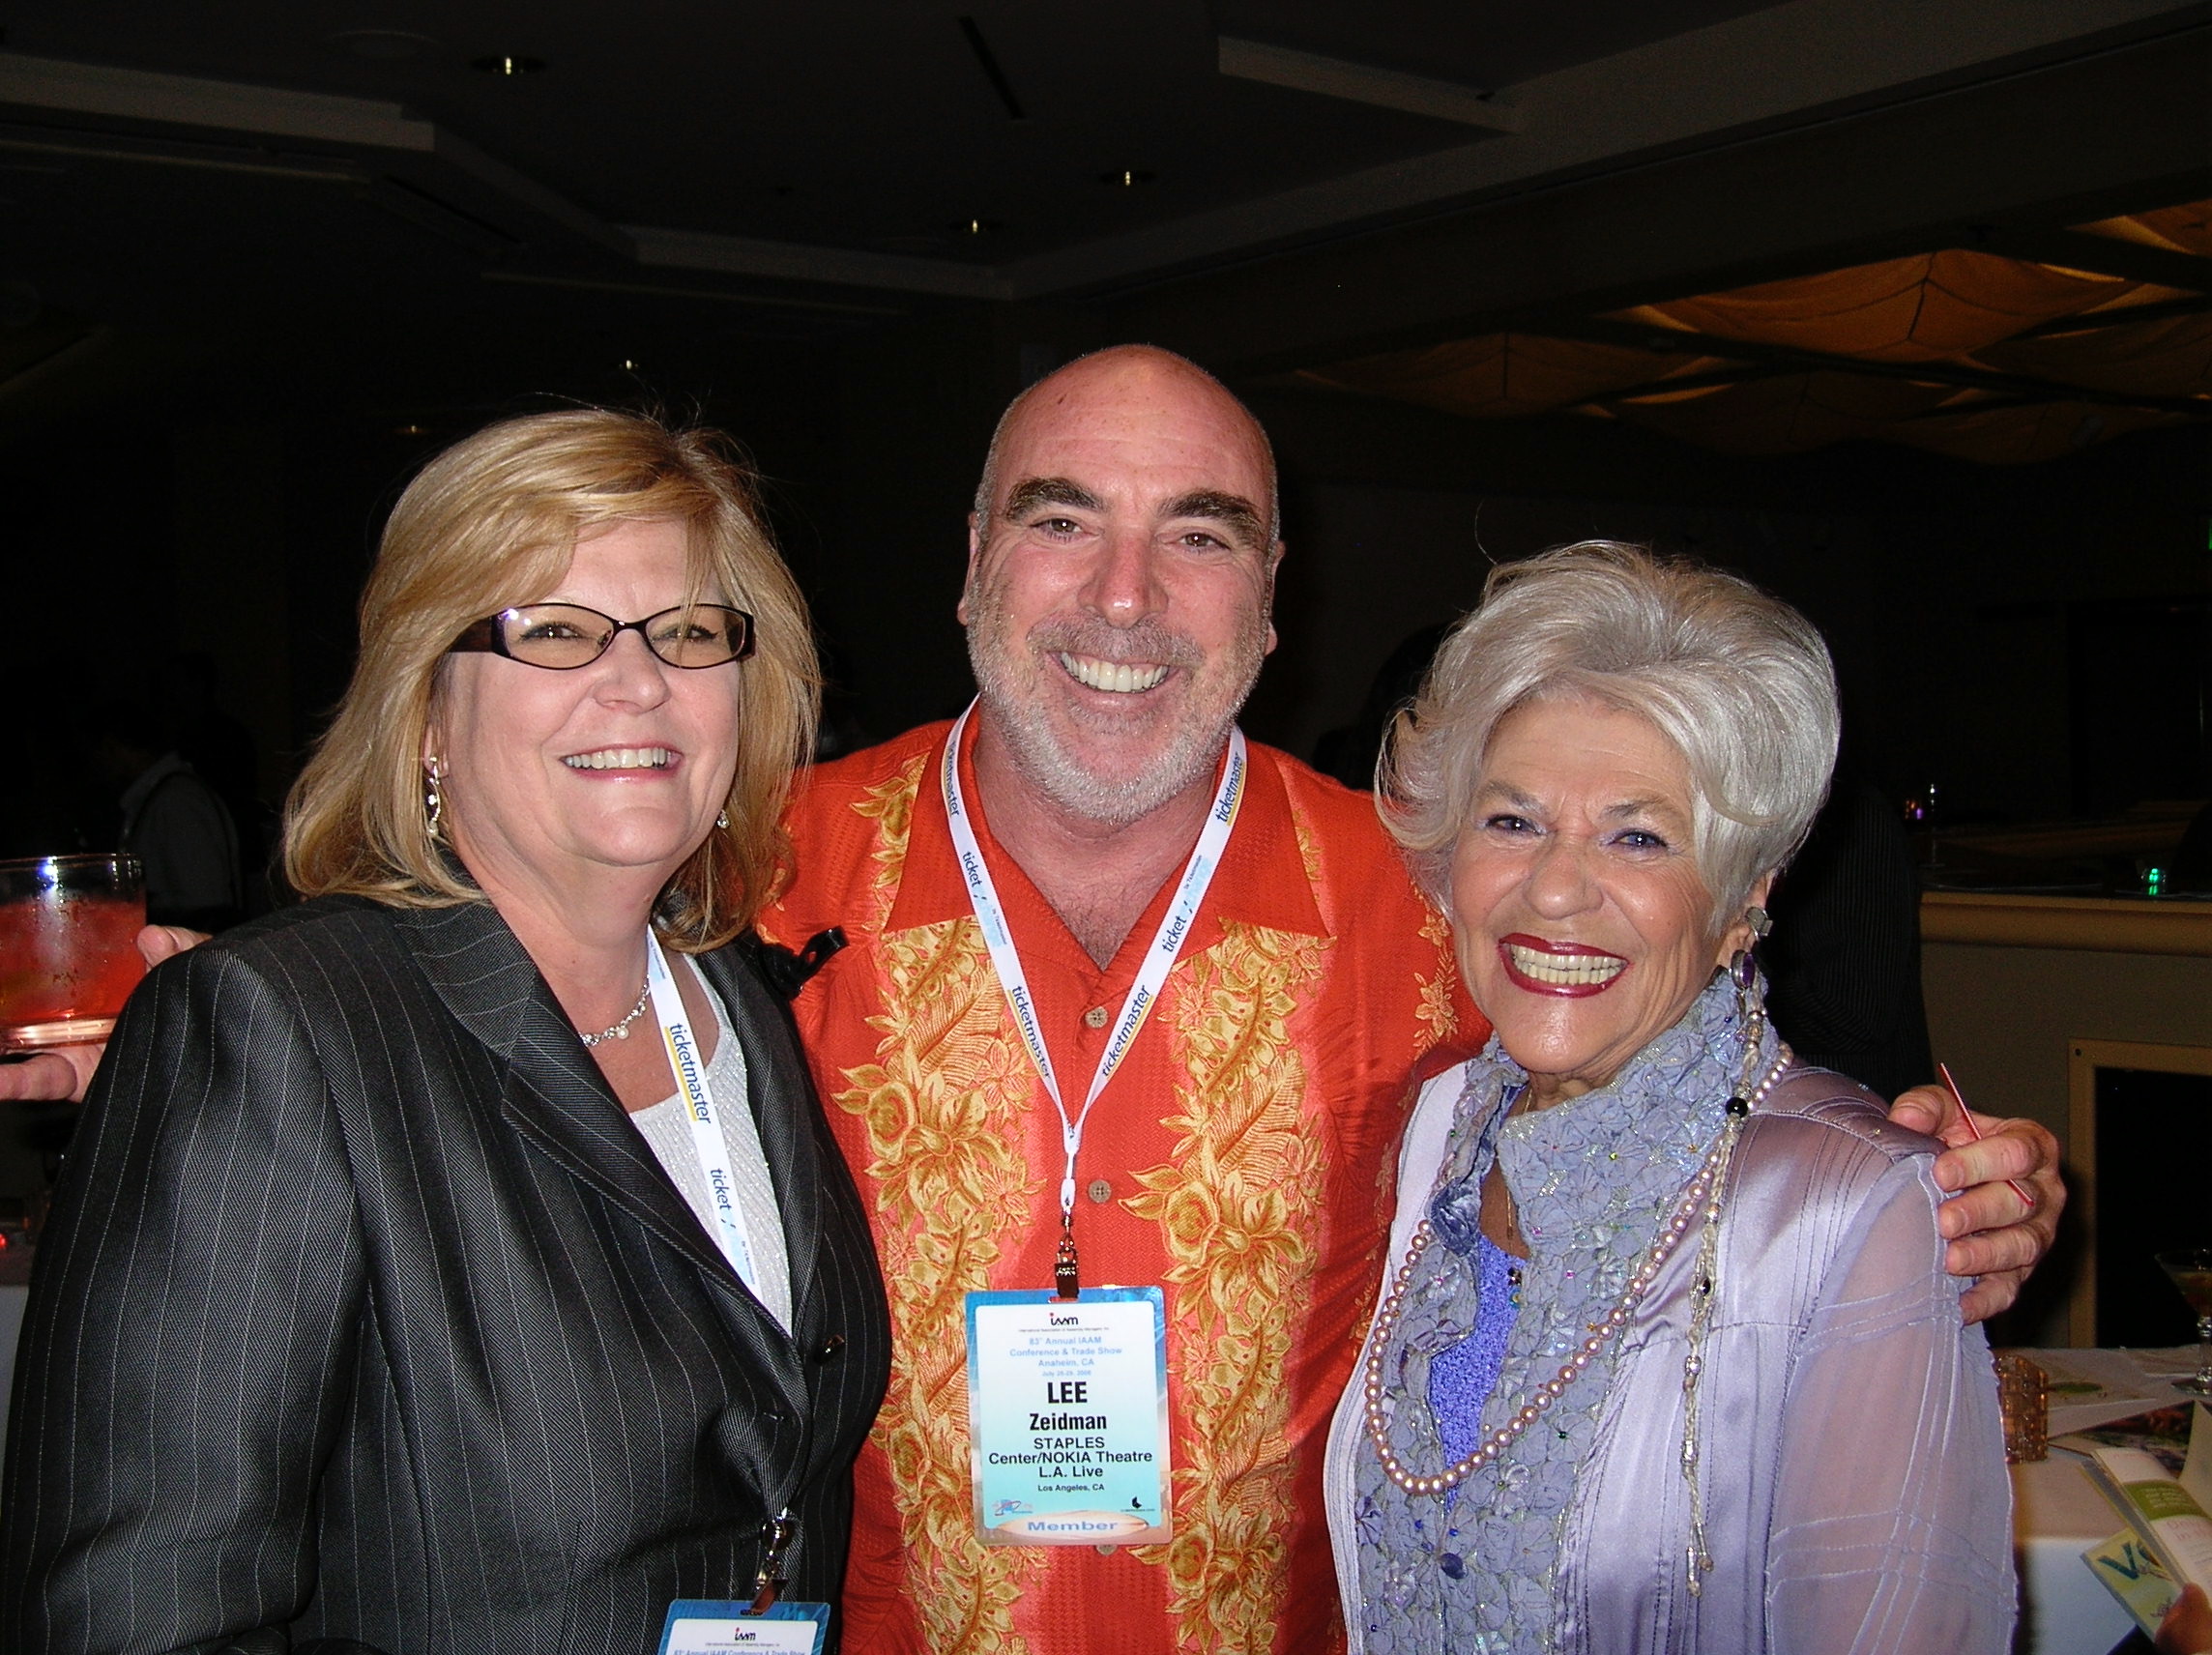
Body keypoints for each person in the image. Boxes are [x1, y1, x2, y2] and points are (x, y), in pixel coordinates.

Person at [757, 346, 2060, 1655]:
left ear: (1271, 594)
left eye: (1200, 535)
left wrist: (1923, 1191)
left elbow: (1677, 1084)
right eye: (1062, 520)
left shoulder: (1430, 899)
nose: (1124, 594)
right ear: (974, 557)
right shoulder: (754, 883)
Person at [1, 411, 891, 1652]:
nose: (639, 680)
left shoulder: (737, 998)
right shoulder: (273, 1031)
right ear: (424, 712)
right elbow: (136, 1612)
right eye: (555, 630)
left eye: (690, 631)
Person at [1325, 544, 2014, 1651]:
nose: (1554, 887)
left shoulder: (1850, 1212)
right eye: (1510, 820)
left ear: (1743, 899)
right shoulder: (1423, 1130)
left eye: (1636, 835)